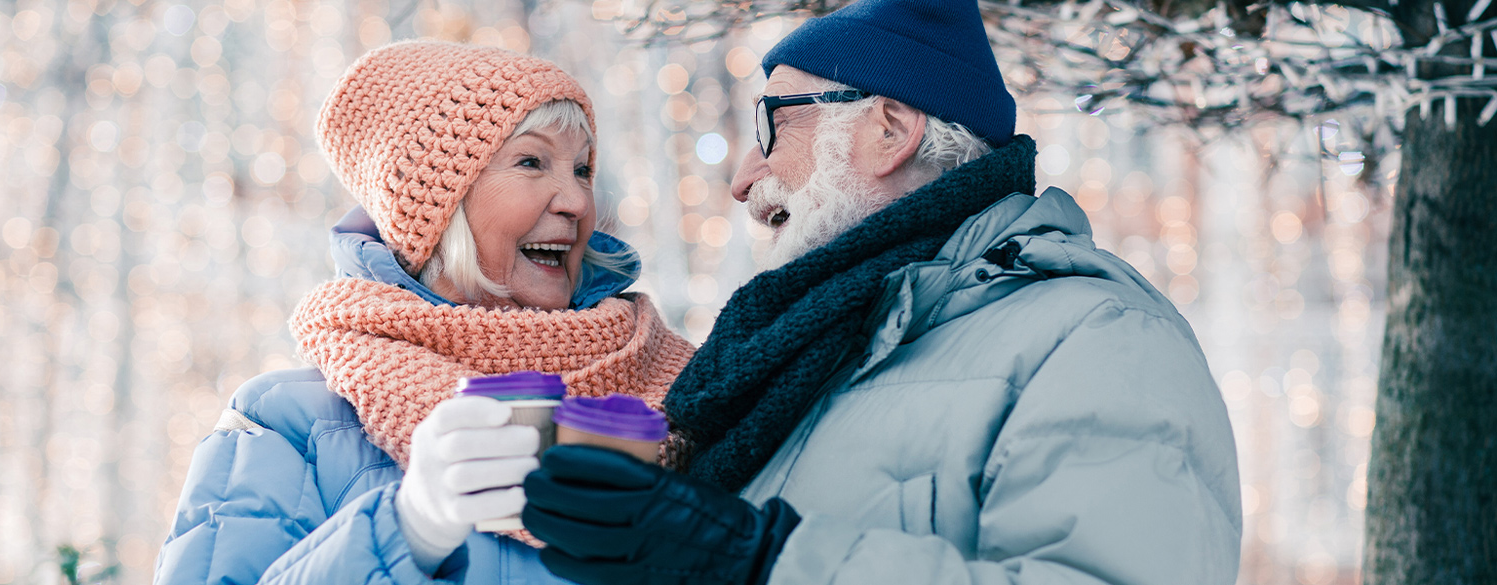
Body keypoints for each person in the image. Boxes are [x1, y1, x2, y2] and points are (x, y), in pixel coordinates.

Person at [521, 1, 1243, 584]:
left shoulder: (1099, 338)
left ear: (889, 129)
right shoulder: (817, 341)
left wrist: (757, 560)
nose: (742, 176)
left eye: (772, 125)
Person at [152, 41, 695, 585]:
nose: (576, 201)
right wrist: (409, 528)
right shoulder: (286, 422)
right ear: (439, 210)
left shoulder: (685, 390)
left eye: (581, 169)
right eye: (531, 161)